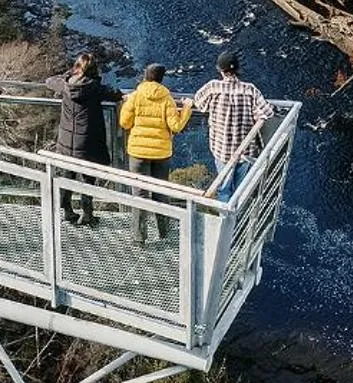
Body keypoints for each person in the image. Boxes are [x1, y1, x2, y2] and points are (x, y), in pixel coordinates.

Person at [118, 63, 190, 243]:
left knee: (140, 194)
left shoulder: (135, 96)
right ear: (161, 78)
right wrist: (187, 108)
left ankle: (139, 236)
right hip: (161, 153)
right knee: (160, 193)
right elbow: (176, 126)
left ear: (145, 76)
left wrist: (127, 104)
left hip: (138, 151)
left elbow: (124, 123)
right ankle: (164, 232)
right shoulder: (167, 99)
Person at [188, 50, 275, 199]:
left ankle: (225, 218)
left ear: (221, 70)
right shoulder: (250, 90)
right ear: (237, 70)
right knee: (241, 188)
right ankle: (240, 213)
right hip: (245, 150)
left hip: (221, 149)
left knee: (224, 188)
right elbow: (267, 113)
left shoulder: (213, 87)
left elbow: (199, 103)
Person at [45, 52, 119, 226]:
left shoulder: (64, 85)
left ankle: (67, 210)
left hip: (66, 140)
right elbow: (115, 94)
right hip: (87, 142)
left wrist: (67, 75)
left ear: (76, 68)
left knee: (66, 175)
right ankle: (87, 213)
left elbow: (49, 81)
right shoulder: (94, 87)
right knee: (88, 178)